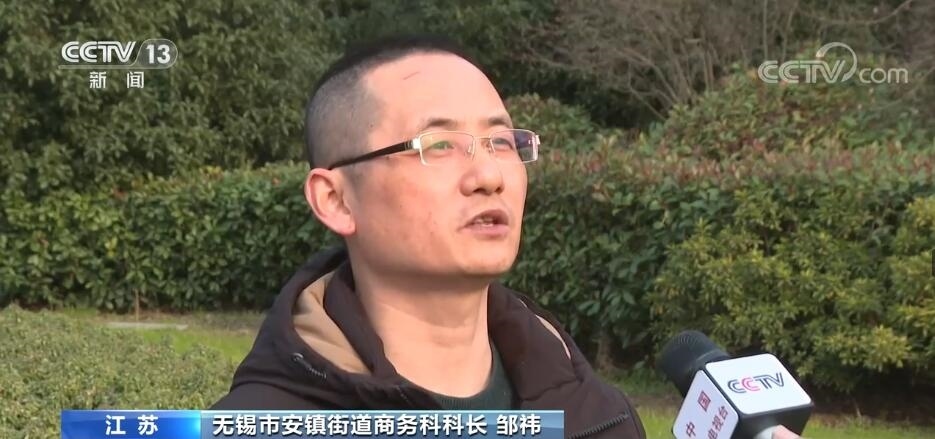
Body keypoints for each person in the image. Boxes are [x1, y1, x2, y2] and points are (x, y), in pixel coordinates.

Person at [210, 34, 804, 439]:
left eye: (501, 142)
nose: (488, 175)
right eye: (438, 145)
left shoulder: (595, 413)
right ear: (335, 199)